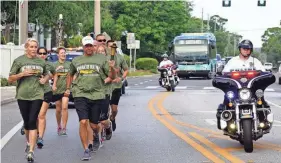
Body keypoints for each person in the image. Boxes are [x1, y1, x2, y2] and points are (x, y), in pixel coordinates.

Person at [66, 36, 116, 160]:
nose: (89, 48)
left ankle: (99, 132)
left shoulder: (101, 59)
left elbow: (111, 76)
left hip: (97, 95)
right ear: (83, 47)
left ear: (93, 47)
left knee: (94, 125)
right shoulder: (77, 60)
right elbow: (70, 74)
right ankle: (86, 149)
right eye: (86, 46)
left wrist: (112, 68)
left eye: (90, 45)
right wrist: (68, 88)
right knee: (83, 121)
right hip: (80, 94)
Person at [8, 38, 49, 162]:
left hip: (37, 95)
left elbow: (47, 74)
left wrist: (45, 79)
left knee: (32, 120)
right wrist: (22, 74)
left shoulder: (41, 62)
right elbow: (10, 78)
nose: (33, 49)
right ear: (26, 47)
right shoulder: (19, 61)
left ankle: (31, 151)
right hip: (22, 95)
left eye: (35, 47)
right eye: (31, 47)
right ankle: (28, 142)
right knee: (27, 123)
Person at [217, 39, 269, 125]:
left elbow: (263, 72)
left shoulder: (255, 61)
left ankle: (264, 120)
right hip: (235, 89)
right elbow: (224, 73)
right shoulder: (232, 61)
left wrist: (266, 75)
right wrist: (220, 76)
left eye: (248, 49)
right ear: (240, 49)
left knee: (261, 100)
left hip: (251, 89)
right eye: (244, 48)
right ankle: (226, 120)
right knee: (227, 100)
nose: (246, 50)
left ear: (251, 50)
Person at [36, 47, 55, 148]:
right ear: (37, 54)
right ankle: (36, 131)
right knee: (34, 116)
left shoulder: (49, 65)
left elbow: (54, 74)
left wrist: (53, 83)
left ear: (47, 54)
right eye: (40, 53)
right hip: (34, 93)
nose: (42, 55)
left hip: (46, 92)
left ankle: (40, 138)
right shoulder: (33, 64)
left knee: (41, 115)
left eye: (44, 53)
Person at [109, 43, 129, 132]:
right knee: (103, 108)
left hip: (116, 87)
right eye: (110, 47)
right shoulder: (103, 57)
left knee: (114, 109)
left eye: (114, 47)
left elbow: (126, 70)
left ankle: (112, 118)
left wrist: (121, 78)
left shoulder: (120, 58)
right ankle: (105, 127)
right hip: (105, 87)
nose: (112, 49)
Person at [52, 47, 71, 136]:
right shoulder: (54, 64)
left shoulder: (69, 64)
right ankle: (59, 125)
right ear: (58, 55)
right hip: (57, 90)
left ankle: (64, 127)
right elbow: (50, 76)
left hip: (66, 89)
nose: (63, 54)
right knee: (58, 109)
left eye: (64, 53)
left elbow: (72, 76)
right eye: (61, 53)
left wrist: (69, 87)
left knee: (64, 107)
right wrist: (56, 71)